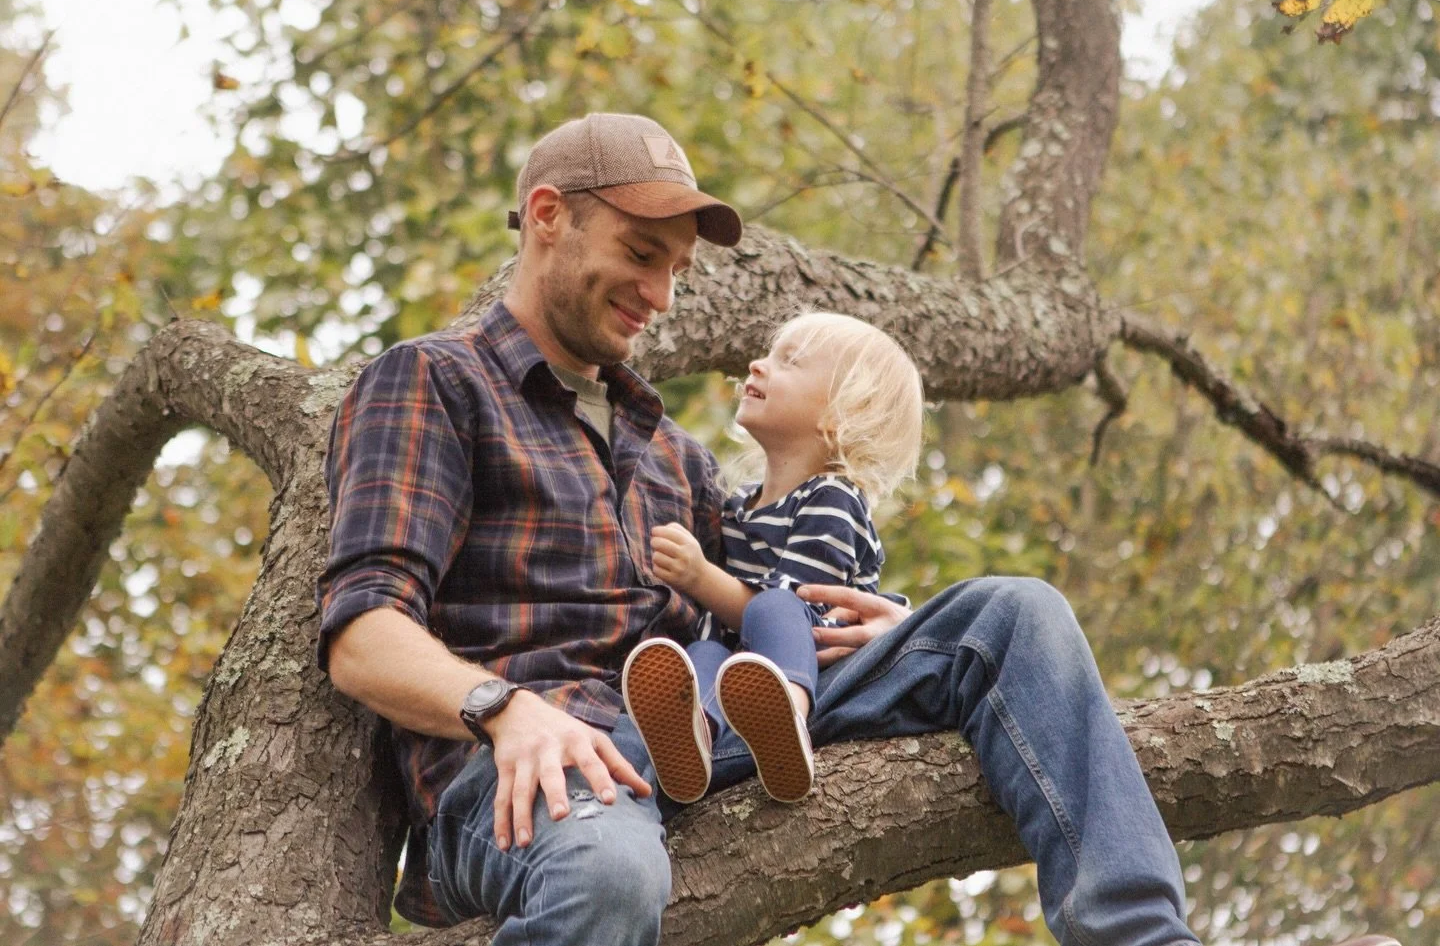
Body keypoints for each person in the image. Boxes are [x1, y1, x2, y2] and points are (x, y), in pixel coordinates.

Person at [314, 112, 1401, 946]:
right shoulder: (433, 385)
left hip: (701, 731)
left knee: (1009, 614)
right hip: (532, 779)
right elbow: (363, 634)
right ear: (547, 214)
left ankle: (1137, 933)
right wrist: (504, 713)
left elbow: (745, 613)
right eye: (641, 253)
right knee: (610, 874)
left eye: (674, 272)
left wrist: (879, 630)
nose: (660, 292)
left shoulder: (669, 452)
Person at [622, 312, 923, 804]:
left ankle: (790, 719)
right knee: (701, 656)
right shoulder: (739, 503)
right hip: (739, 671)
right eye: (768, 354)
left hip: (817, 672)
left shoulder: (833, 498)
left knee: (774, 608)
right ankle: (696, 737)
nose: (758, 366)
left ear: (841, 413)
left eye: (791, 362)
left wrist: (700, 576)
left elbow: (798, 609)